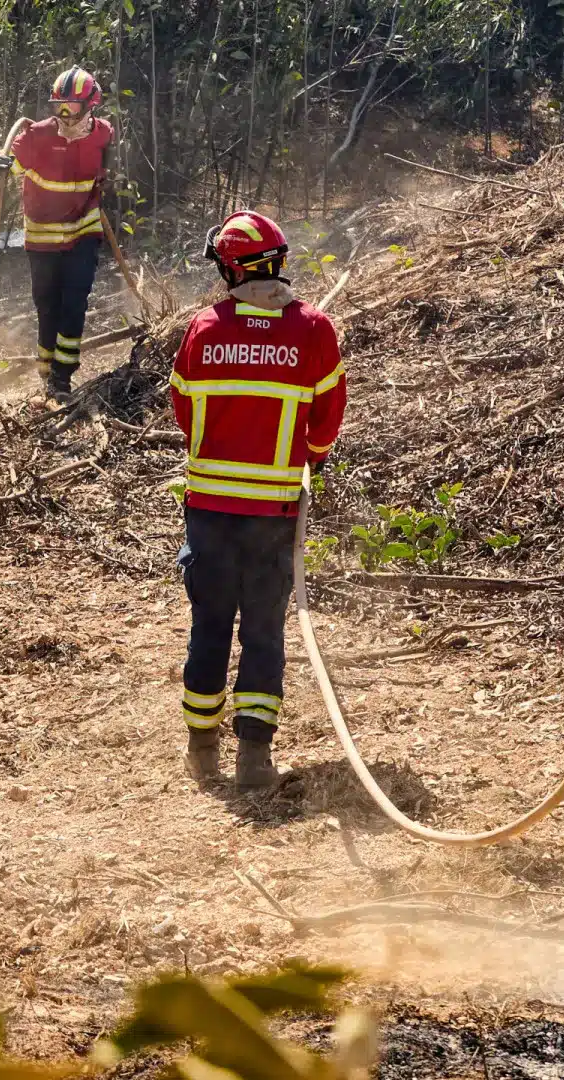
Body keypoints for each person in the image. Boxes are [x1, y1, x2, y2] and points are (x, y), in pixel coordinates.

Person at [169, 210, 345, 790]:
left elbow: (183, 408)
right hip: (274, 513)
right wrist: (306, 461)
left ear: (229, 269)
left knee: (210, 623)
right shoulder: (314, 331)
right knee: (265, 629)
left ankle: (201, 752)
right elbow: (326, 421)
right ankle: (254, 760)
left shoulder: (203, 330)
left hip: (210, 510)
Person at [0, 66, 113, 403]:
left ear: (90, 107)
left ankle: (62, 377)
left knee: (75, 302)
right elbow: (4, 164)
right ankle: (45, 366)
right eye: (59, 107)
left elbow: (103, 170)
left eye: (71, 109)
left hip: (83, 231)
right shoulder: (37, 136)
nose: (64, 117)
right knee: (47, 305)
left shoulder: (103, 135)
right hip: (42, 238)